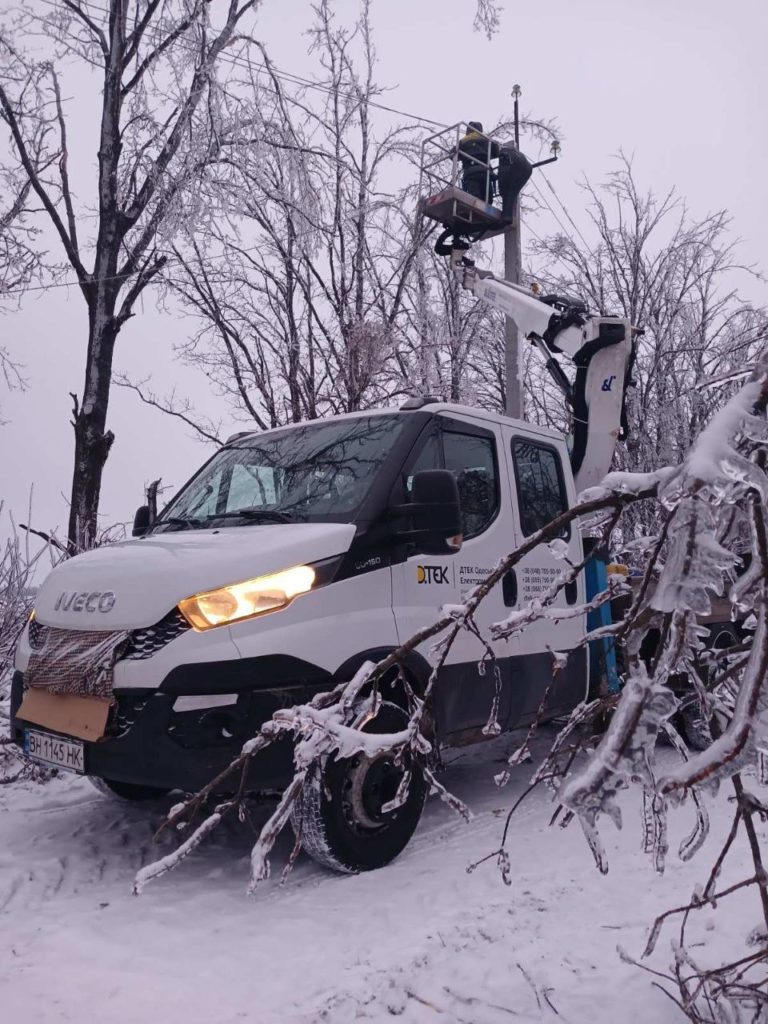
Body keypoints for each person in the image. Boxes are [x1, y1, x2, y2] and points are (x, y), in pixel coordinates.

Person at [458, 121, 499, 202]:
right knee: (488, 199)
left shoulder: (462, 141)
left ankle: (474, 212)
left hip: (471, 173)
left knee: (474, 199)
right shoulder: (487, 139)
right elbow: (497, 151)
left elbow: (453, 155)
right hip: (485, 172)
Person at [497, 143, 533, 220]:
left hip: (517, 166)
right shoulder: (514, 152)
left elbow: (502, 173)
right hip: (528, 168)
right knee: (512, 191)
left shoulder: (503, 154)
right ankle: (507, 216)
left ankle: (507, 216)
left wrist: (501, 190)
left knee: (507, 192)